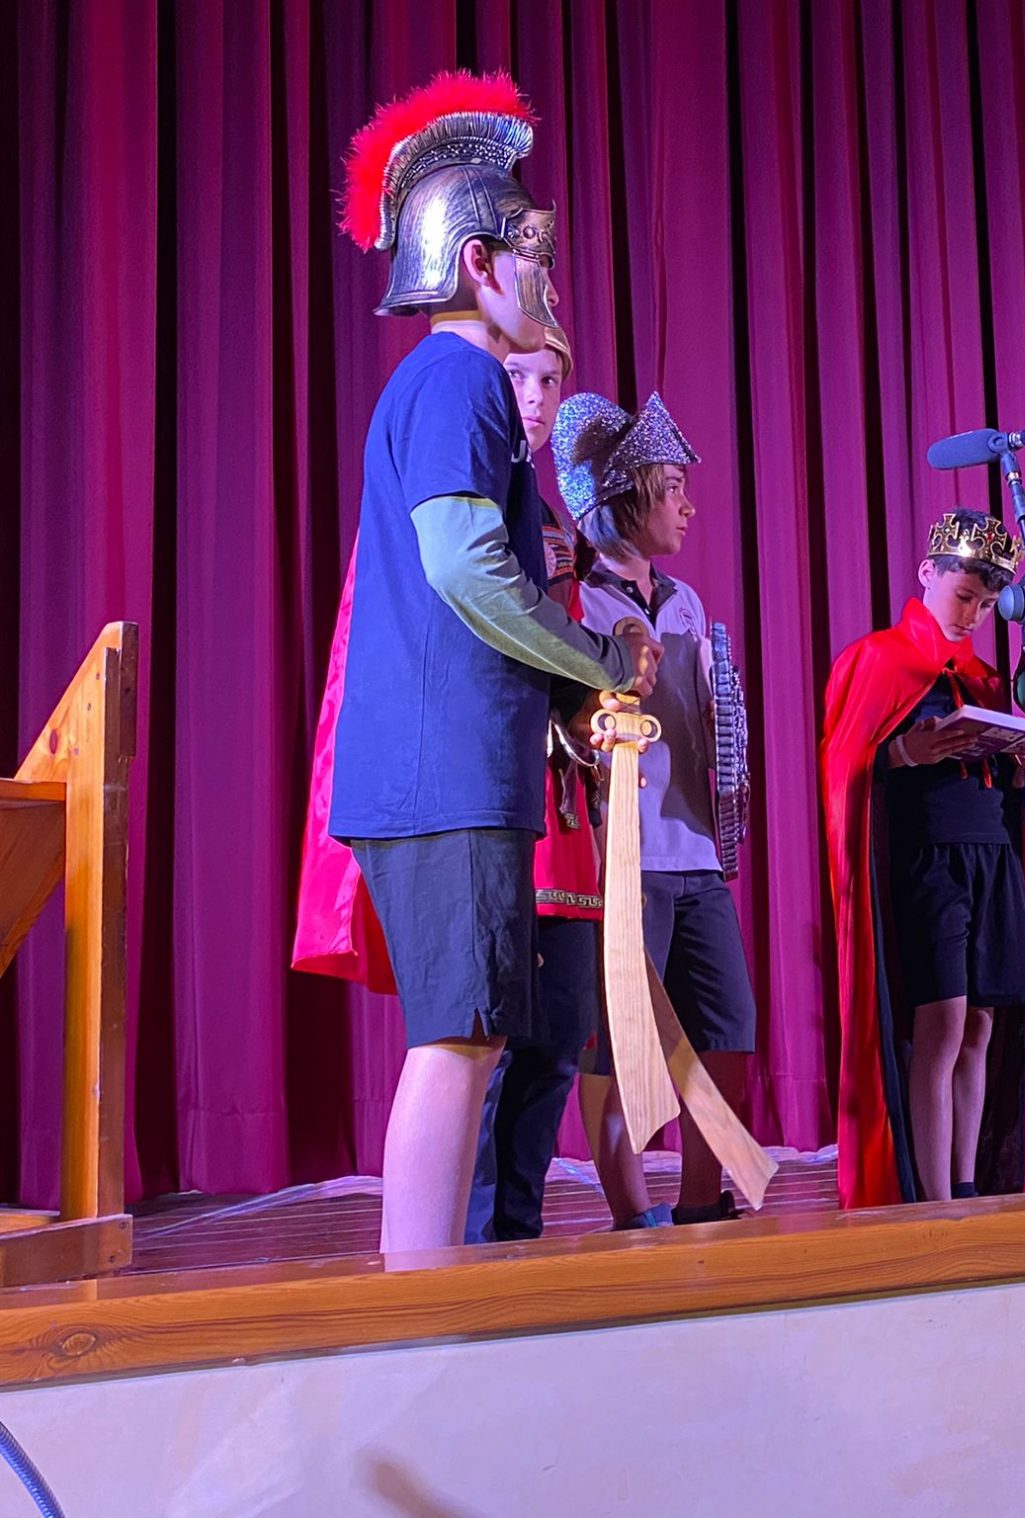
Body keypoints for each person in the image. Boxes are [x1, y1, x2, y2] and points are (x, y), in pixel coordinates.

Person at [326, 70, 658, 1253]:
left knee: (465, 1035)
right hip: (444, 769)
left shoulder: (438, 381)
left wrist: (566, 693)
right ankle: (422, 1305)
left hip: (452, 767)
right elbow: (466, 569)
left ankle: (431, 1290)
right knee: (458, 1038)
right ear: (478, 262)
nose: (548, 286)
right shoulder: (459, 376)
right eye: (534, 260)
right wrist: (597, 660)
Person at [560, 391, 763, 1228]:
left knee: (727, 1025)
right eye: (672, 486)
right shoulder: (576, 605)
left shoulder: (687, 605)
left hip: (694, 849)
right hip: (621, 856)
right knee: (621, 1040)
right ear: (626, 495)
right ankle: (629, 1212)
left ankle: (701, 1198)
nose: (687, 505)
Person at [820, 510, 1025, 1208]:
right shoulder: (878, 659)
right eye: (963, 595)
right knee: (940, 1025)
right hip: (927, 859)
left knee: (981, 1026)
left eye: (986, 603)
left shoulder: (988, 679)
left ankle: (967, 1185)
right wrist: (904, 752)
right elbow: (844, 766)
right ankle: (933, 1198)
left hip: (989, 853)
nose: (972, 614)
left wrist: (1019, 759)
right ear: (927, 574)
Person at [463, 323, 606, 1243]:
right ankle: (473, 1238)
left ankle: (517, 1230)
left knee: (558, 1034)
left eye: (552, 380)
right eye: (521, 376)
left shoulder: (553, 522)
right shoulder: (471, 499)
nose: (538, 397)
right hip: (495, 796)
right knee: (485, 1039)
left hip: (565, 806)